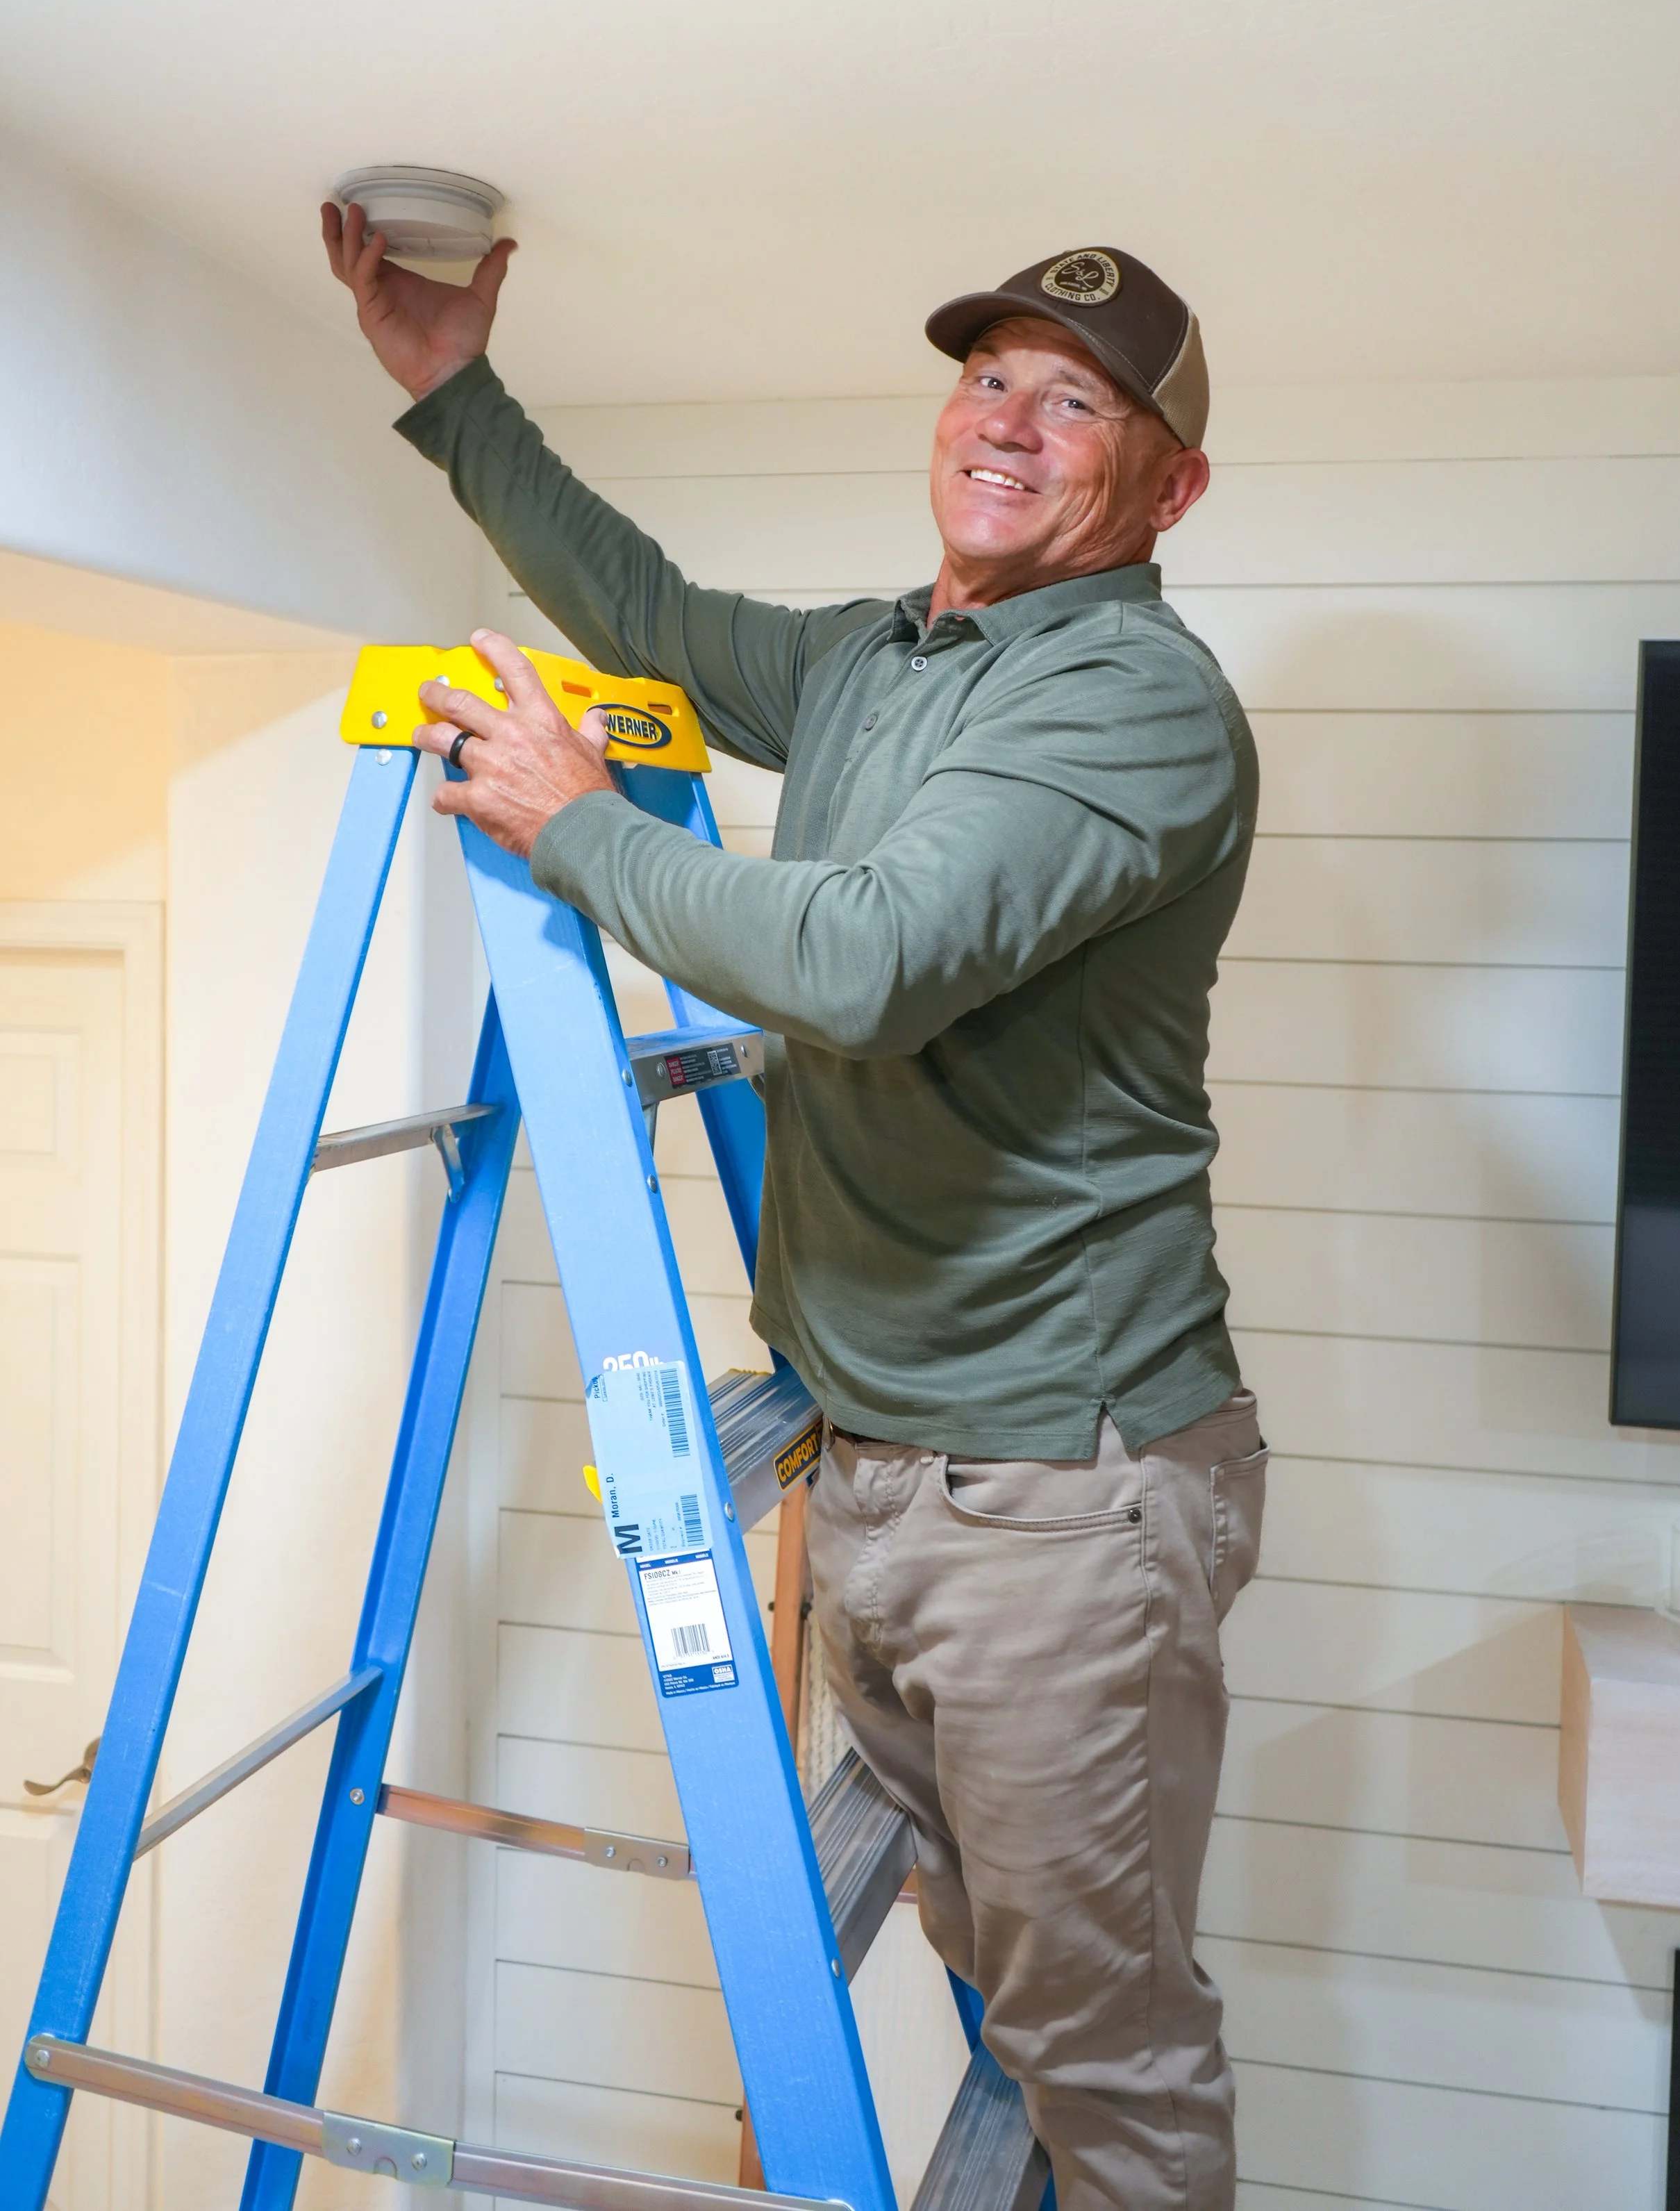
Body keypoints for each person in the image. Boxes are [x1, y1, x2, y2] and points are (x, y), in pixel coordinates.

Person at [323, 201, 1265, 2211]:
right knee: (996, 1989)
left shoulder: (1137, 699)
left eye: (1074, 400)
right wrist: (448, 386)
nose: (1008, 420)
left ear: (1165, 481)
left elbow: (863, 958)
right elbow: (644, 608)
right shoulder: (873, 658)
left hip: (1058, 1494)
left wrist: (570, 822)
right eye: (988, 375)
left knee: (1104, 2049)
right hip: (884, 1461)